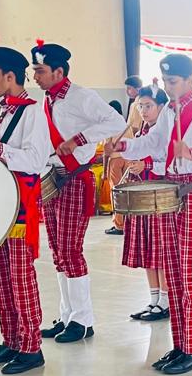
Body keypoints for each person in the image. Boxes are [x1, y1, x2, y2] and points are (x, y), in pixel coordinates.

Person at [117, 53, 192, 376]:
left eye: (173, 81)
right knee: (172, 269)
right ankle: (180, 345)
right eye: (166, 81)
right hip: (171, 189)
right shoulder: (170, 112)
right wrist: (125, 148)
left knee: (188, 270)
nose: (168, 87)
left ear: (189, 80)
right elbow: (155, 142)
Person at [30, 40, 125, 345]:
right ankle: (67, 315)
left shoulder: (82, 97)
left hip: (75, 179)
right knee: (58, 251)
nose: (35, 76)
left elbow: (117, 121)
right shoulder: (46, 100)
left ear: (58, 72)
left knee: (71, 250)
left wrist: (78, 140)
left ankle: (83, 320)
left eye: (40, 70)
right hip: (53, 179)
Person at [0, 37, 53, 375]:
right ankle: (12, 340)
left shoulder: (32, 112)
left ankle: (31, 348)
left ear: (9, 77)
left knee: (20, 276)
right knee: (2, 275)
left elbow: (35, 160)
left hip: (21, 205)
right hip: (3, 202)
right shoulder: (7, 112)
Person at [121, 83, 170, 322]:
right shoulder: (142, 132)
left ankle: (166, 301)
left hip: (160, 195)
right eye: (140, 106)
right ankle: (154, 299)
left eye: (148, 106)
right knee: (149, 248)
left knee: (161, 249)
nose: (143, 111)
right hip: (143, 194)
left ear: (161, 107)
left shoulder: (166, 132)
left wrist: (146, 165)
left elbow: (170, 164)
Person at [105, 76, 147, 236]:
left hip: (118, 159)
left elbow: (108, 149)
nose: (128, 91)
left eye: (129, 88)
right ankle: (128, 223)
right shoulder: (123, 122)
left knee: (116, 192)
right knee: (127, 191)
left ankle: (119, 225)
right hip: (129, 158)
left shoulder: (136, 104)